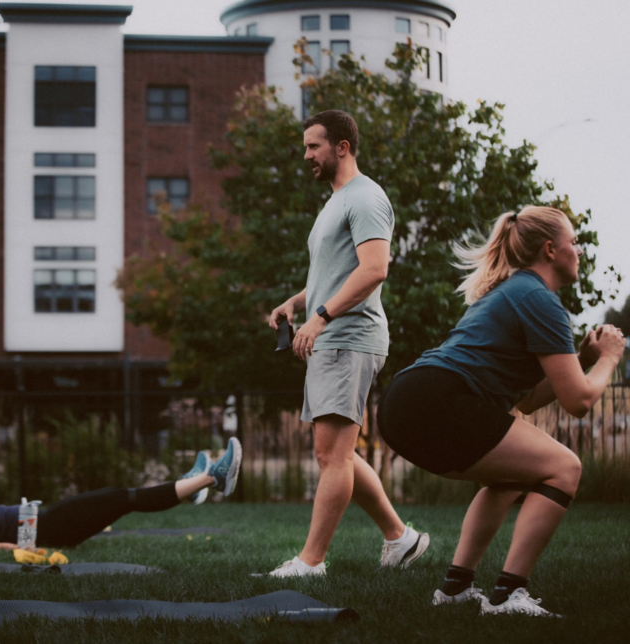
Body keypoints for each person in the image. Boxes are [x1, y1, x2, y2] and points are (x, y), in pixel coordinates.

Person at [377, 206, 626, 616]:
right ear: (550, 249)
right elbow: (579, 402)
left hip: (408, 400)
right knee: (565, 468)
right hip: (437, 398)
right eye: (574, 242)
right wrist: (609, 358)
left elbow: (527, 400)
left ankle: (456, 588)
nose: (578, 251)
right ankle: (509, 595)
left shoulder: (516, 292)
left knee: (511, 478)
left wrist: (579, 360)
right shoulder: (539, 299)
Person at [261, 110, 429, 578]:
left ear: (342, 147)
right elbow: (335, 273)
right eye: (305, 148)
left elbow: (374, 269)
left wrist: (321, 316)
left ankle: (310, 562)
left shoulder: (366, 198)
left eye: (313, 147)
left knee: (331, 456)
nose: (307, 156)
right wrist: (297, 302)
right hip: (332, 334)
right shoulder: (336, 202)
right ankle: (401, 539)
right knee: (341, 454)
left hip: (347, 337)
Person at [0, 437, 242, 551]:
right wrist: (35, 553)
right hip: (45, 529)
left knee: (120, 498)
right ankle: (212, 479)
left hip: (44, 522)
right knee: (121, 497)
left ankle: (194, 483)